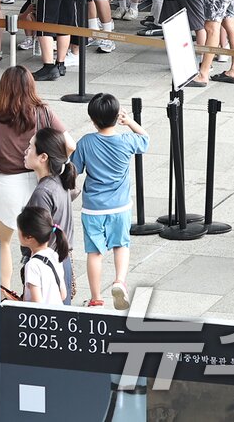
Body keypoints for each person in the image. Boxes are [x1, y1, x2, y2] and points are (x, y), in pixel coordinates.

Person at [0, 67, 54, 291]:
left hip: (7, 184)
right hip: (40, 183)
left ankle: (5, 293)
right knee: (40, 242)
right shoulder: (43, 112)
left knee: (3, 243)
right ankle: (40, 290)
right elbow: (69, 144)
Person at [71, 93, 149, 310]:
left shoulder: (86, 142)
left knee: (94, 253)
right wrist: (130, 121)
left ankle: (96, 298)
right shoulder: (126, 141)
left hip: (93, 208)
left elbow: (74, 170)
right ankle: (119, 282)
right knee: (121, 245)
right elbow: (145, 139)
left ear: (92, 119)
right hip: (121, 206)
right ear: (116, 117)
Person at [23, 127, 78, 304]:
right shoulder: (59, 182)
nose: (26, 151)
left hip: (46, 269)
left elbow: (36, 236)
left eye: (30, 147)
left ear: (43, 157)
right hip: (61, 263)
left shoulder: (42, 193)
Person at [16, 206, 68, 306]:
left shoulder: (32, 265)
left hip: (43, 319)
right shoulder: (54, 254)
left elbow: (37, 306)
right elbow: (62, 294)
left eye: (19, 230)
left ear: (29, 237)